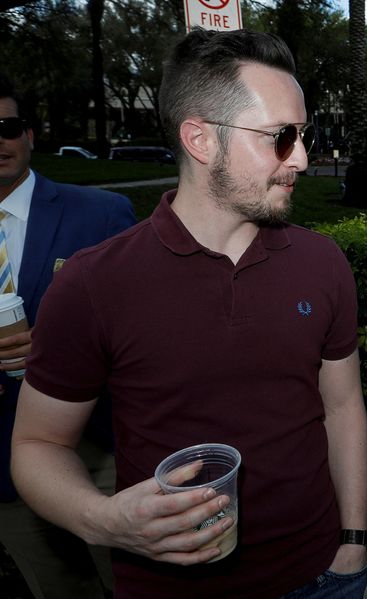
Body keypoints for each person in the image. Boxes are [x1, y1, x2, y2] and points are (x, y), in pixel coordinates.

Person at [10, 29, 367, 599]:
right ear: (200, 139)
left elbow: (344, 406)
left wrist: (354, 540)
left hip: (322, 574)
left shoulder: (322, 263)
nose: (302, 157)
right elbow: (37, 446)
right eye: (281, 137)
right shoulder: (93, 283)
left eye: (305, 135)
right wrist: (102, 520)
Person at [0, 75, 137, 599]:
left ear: (30, 134)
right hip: (5, 467)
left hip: (101, 448)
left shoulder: (99, 214)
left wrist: (72, 349)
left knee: (130, 580)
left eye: (7, 126)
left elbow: (143, 325)